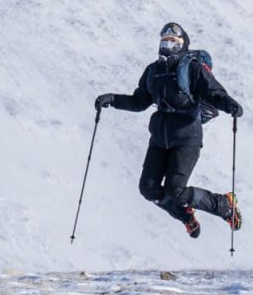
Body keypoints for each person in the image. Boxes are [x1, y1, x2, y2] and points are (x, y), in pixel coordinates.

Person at [95, 22, 244, 238]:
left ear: (183, 44)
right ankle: (185, 216)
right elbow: (139, 101)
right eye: (165, 41)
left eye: (173, 41)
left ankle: (223, 204)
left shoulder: (192, 67)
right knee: (148, 189)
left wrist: (229, 104)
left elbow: (213, 92)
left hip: (187, 137)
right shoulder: (153, 71)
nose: (168, 45)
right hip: (159, 139)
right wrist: (112, 99)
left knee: (176, 191)